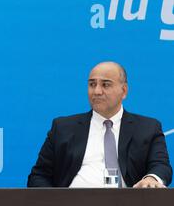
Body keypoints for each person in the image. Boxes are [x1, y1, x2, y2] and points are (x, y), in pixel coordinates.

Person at [27, 61, 172, 188]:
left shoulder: (147, 128)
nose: (96, 91)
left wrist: (151, 178)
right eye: (92, 84)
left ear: (124, 90)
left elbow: (161, 166)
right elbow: (39, 176)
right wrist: (55, 204)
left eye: (105, 84)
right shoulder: (63, 127)